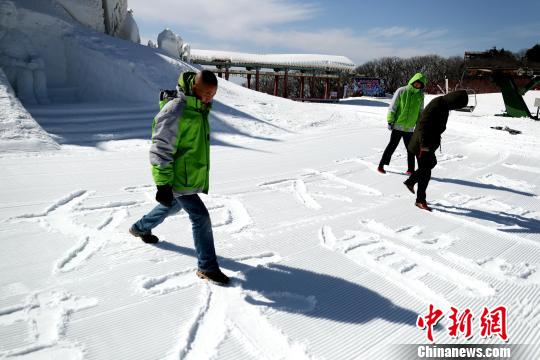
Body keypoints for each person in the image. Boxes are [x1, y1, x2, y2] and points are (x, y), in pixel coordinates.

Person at [129, 70, 230, 285]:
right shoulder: (176, 109)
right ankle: (207, 267)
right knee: (200, 217)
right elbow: (160, 148)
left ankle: (140, 228)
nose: (209, 98)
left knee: (172, 206)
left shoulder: (198, 107)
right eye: (205, 93)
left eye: (213, 94)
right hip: (176, 176)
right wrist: (163, 183)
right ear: (194, 87)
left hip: (187, 175)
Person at [403, 90, 468, 211]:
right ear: (454, 101)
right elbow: (423, 124)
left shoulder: (444, 105)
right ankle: (419, 199)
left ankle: (411, 183)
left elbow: (438, 126)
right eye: (457, 105)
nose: (455, 108)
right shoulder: (437, 105)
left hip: (428, 143)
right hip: (422, 144)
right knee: (426, 171)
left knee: (430, 165)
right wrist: (424, 146)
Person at [0, 0, 50, 105]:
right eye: (2, 13)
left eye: (9, 14)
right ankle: (28, 100)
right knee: (24, 73)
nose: (6, 17)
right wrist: (21, 64)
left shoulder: (18, 34)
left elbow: (33, 52)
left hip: (24, 65)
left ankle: (43, 99)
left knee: (39, 73)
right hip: (6, 70)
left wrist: (36, 61)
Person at [378, 73, 427, 174]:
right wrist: (390, 120)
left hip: (409, 128)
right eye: (416, 83)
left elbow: (420, 111)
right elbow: (393, 106)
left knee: (411, 149)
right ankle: (381, 166)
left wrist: (419, 125)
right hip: (398, 126)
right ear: (413, 81)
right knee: (392, 146)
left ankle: (410, 170)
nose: (418, 85)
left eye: (420, 84)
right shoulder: (402, 91)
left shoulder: (420, 95)